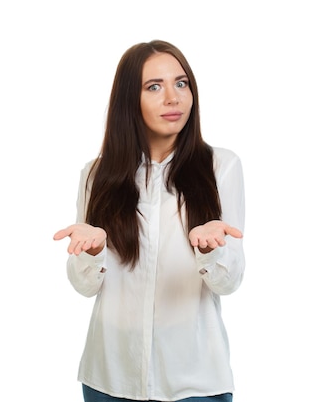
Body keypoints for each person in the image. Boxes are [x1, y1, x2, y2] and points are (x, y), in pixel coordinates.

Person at [53, 40, 246, 402]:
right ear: (130, 100)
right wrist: (92, 252)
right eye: (153, 86)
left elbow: (230, 281)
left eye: (181, 83)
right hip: (109, 379)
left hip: (194, 382)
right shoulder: (97, 175)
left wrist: (210, 249)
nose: (173, 98)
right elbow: (85, 286)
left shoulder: (221, 167)